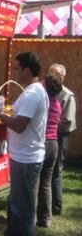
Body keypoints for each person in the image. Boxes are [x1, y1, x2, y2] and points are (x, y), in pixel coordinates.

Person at [0, 52, 49, 236]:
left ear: (26, 70)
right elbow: (18, 117)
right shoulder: (32, 92)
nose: (13, 72)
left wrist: (1, 115)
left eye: (16, 68)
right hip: (23, 155)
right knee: (16, 201)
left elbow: (19, 125)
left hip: (27, 157)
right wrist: (5, 112)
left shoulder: (33, 93)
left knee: (22, 205)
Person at [48, 64, 77, 215]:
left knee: (56, 170)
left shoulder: (67, 95)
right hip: (48, 136)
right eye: (50, 72)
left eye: (56, 74)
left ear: (63, 77)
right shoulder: (46, 92)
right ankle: (47, 204)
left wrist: (51, 124)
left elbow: (67, 122)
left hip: (60, 136)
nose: (53, 76)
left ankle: (56, 207)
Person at [36, 74, 62, 228]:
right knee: (46, 183)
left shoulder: (43, 102)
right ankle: (45, 218)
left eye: (42, 82)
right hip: (53, 144)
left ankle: (30, 217)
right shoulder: (57, 103)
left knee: (35, 182)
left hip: (42, 143)